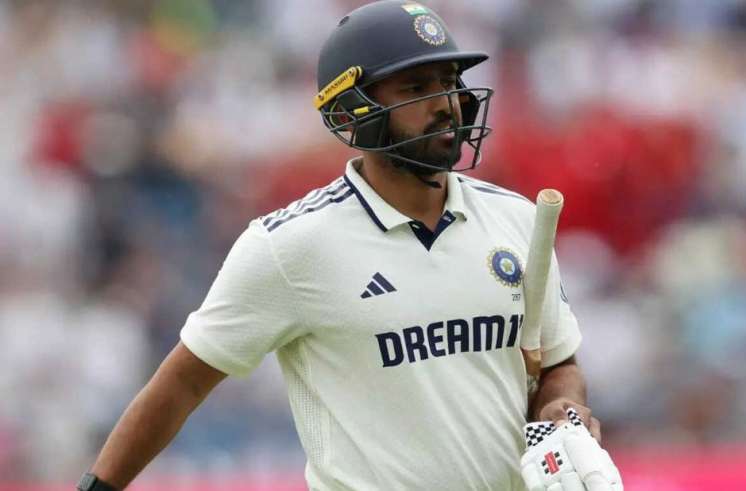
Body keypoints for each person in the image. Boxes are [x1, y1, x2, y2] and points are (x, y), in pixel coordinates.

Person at [77, 2, 600, 490]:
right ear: (354, 112)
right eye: (417, 87)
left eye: (449, 83)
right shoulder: (292, 245)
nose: (445, 105)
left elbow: (558, 363)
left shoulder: (518, 219)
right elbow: (183, 384)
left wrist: (563, 411)